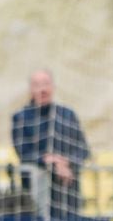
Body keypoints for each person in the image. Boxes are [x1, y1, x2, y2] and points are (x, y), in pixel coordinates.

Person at [12, 69, 89, 213]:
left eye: (46, 84)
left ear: (53, 87)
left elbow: (83, 150)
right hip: (35, 192)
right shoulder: (20, 117)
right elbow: (23, 152)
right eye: (37, 85)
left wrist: (66, 162)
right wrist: (52, 162)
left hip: (67, 189)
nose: (42, 89)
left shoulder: (67, 114)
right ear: (31, 89)